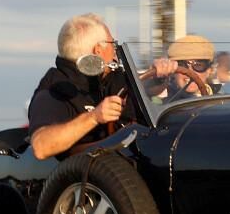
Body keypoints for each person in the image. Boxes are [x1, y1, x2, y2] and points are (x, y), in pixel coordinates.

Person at [28, 14, 144, 160]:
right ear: (98, 50)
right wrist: (94, 117)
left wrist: (162, 79)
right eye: (112, 44)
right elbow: (41, 147)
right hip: (86, 176)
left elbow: (145, 97)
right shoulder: (55, 91)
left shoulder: (111, 80)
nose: (115, 51)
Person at [164, 34, 215, 102]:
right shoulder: (163, 106)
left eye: (198, 65)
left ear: (209, 70)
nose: (190, 72)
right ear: (173, 72)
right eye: (182, 65)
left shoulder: (223, 102)